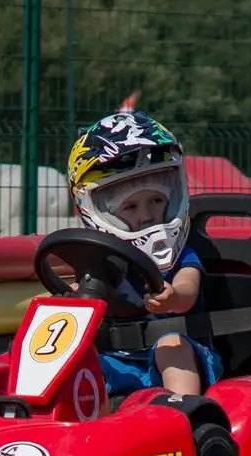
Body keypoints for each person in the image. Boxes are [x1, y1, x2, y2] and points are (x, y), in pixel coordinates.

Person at [65, 111, 222, 397]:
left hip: (179, 351)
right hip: (115, 358)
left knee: (171, 345)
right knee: (74, 352)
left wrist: (174, 297)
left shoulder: (179, 253)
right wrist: (70, 298)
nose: (147, 215)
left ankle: (184, 407)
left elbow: (188, 289)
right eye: (131, 207)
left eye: (156, 200)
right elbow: (88, 293)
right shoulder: (100, 258)